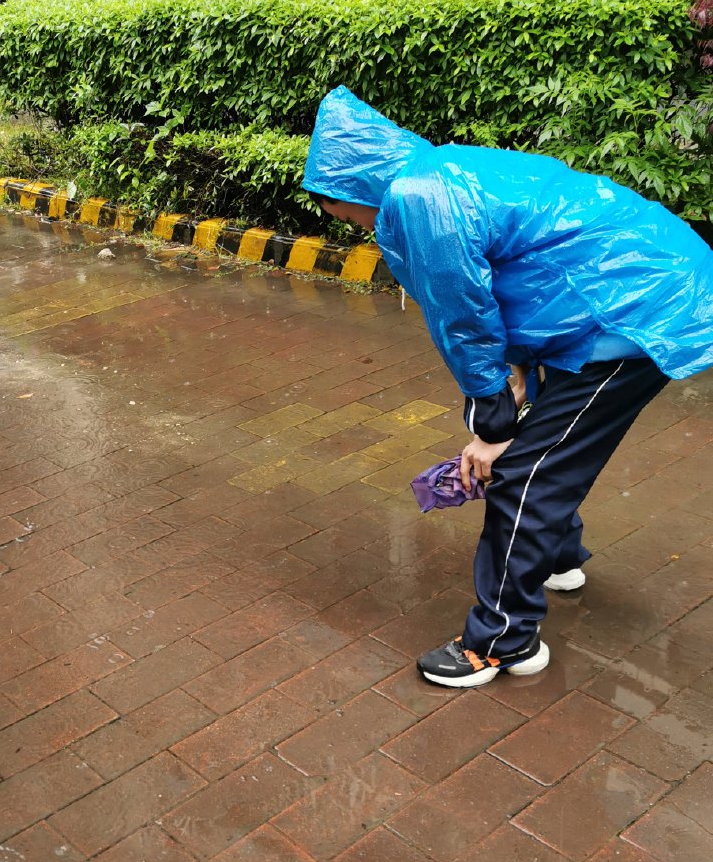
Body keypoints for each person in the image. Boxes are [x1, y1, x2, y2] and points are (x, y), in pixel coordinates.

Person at [302, 86, 713, 688]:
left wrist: (493, 428)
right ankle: (558, 560)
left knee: (524, 476)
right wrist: (514, 384)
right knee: (549, 450)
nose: (362, 228)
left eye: (348, 216)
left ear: (353, 188)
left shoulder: (418, 200)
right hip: (616, 295)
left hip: (627, 318)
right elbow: (516, 270)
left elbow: (464, 318)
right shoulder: (439, 170)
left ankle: (503, 642)